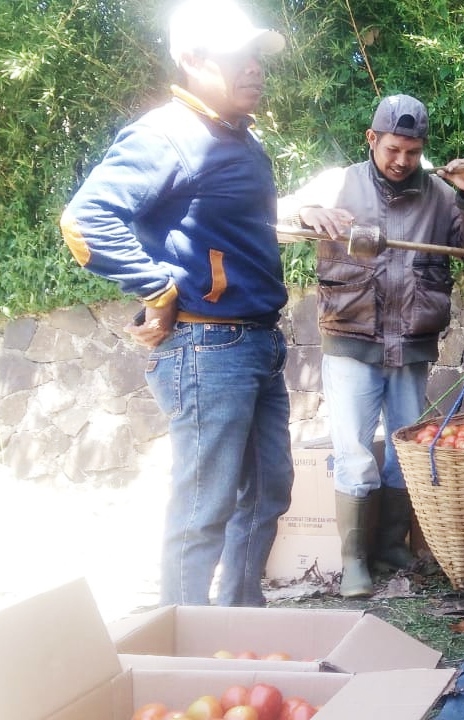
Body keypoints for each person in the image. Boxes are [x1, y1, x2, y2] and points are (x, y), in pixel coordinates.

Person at [59, 0, 294, 607]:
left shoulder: (240, 138)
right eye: (237, 57)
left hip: (258, 344)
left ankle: (239, 620)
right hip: (207, 347)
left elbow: (228, 229)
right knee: (204, 508)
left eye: (256, 58)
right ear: (192, 59)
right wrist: (158, 289)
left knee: (269, 492)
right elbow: (85, 222)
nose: (254, 69)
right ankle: (184, 641)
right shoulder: (168, 134)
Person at [276, 95, 464, 598]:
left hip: (411, 346)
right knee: (352, 453)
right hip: (351, 342)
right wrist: (310, 212)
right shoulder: (338, 182)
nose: (402, 161)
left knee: (404, 453)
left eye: (413, 152)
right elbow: (278, 219)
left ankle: (393, 545)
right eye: (394, 149)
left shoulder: (440, 192)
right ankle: (354, 560)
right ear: (372, 139)